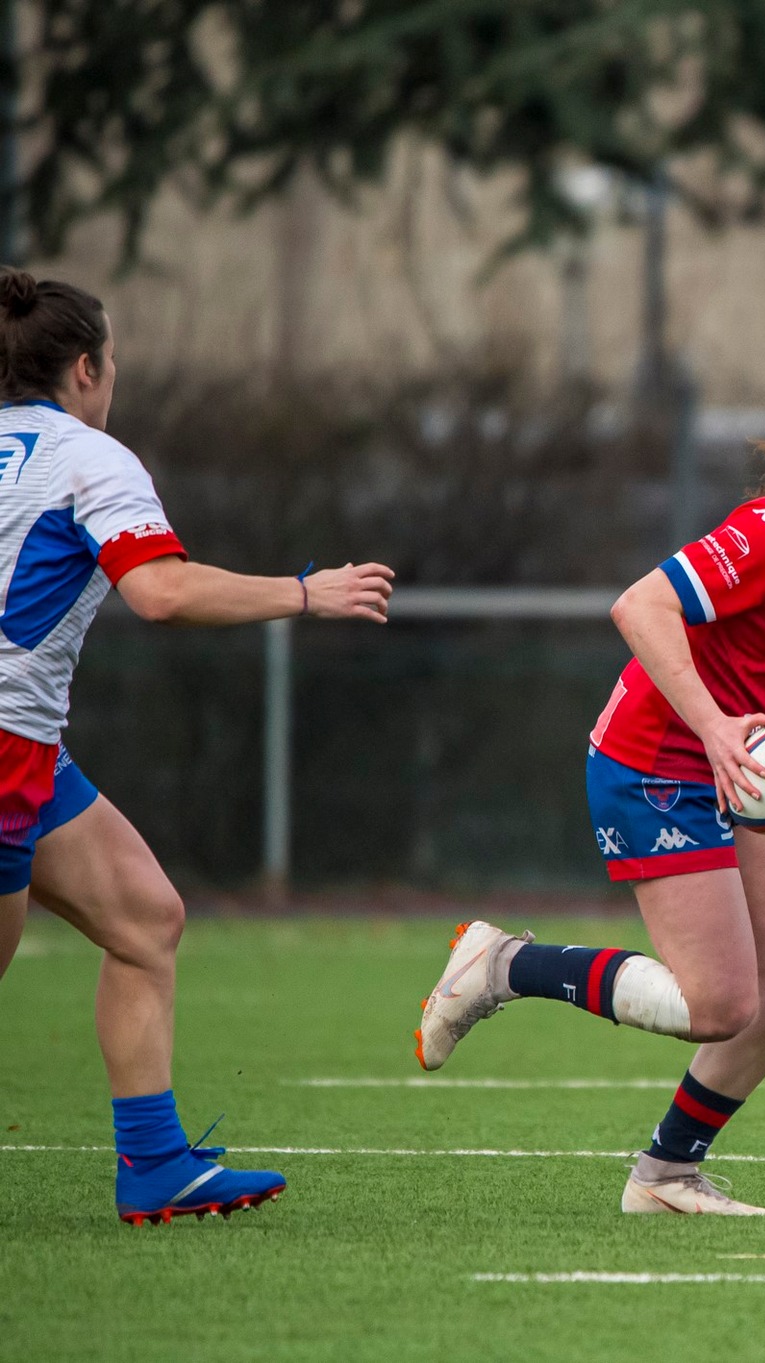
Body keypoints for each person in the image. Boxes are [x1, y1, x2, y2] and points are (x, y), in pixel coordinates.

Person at [415, 361, 765, 1216]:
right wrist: (714, 724)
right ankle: (505, 964)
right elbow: (639, 606)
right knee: (721, 1003)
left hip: (751, 767)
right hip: (657, 755)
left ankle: (664, 1177)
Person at [0, 268, 395, 1224]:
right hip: (6, 745)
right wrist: (306, 592)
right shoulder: (86, 455)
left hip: (33, 755)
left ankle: (155, 1163)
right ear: (87, 367)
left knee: (145, 919)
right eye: (115, 361)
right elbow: (161, 592)